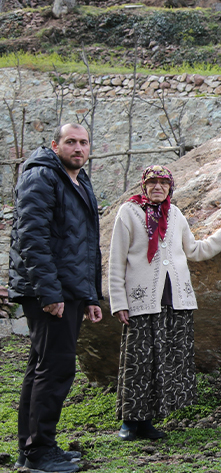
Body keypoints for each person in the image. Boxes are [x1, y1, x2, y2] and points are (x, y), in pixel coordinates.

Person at [108, 165, 221, 440]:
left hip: (176, 302)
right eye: (152, 182)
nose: (157, 187)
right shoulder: (129, 212)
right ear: (144, 186)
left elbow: (195, 250)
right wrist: (118, 302)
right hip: (142, 302)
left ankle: (148, 423)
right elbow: (116, 260)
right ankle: (129, 422)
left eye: (163, 183)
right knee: (139, 361)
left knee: (164, 363)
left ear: (170, 187)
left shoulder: (175, 214)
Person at [10, 123, 103, 473]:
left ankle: (31, 449)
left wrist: (91, 296)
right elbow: (31, 238)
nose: (78, 148)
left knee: (41, 369)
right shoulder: (42, 177)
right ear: (55, 145)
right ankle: (39, 453)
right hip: (49, 291)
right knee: (56, 369)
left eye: (83, 142)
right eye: (70, 142)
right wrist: (49, 292)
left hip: (70, 290)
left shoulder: (79, 180)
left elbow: (85, 245)